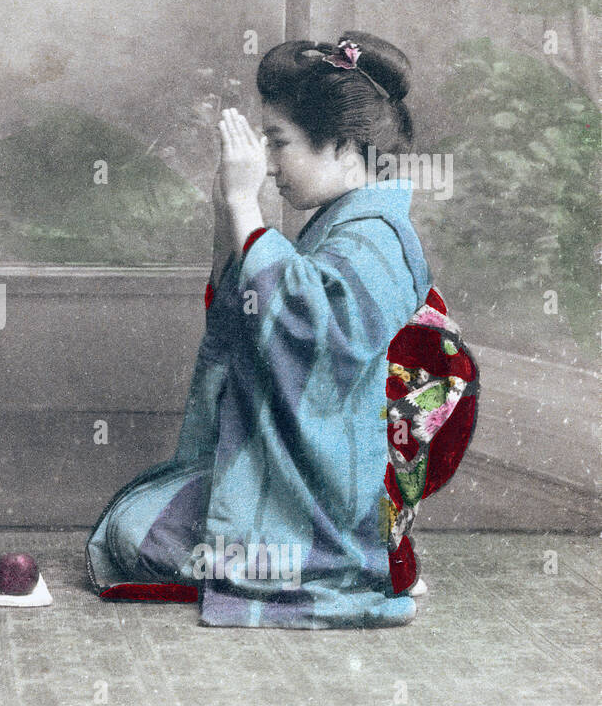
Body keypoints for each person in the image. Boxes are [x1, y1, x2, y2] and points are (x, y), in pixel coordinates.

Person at [87, 32, 436, 628]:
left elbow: (304, 337)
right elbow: (240, 309)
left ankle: (352, 562)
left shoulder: (378, 235)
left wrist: (248, 207)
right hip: (287, 464)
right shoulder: (345, 221)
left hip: (326, 486)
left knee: (135, 534)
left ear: (348, 146)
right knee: (134, 520)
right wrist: (230, 205)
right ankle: (351, 557)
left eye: (279, 143)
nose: (269, 164)